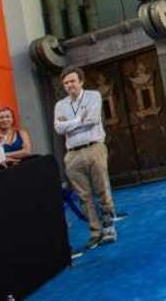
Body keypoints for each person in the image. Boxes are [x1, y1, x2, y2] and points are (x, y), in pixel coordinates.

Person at [54, 66, 117, 250]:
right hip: (72, 154)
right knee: (83, 195)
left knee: (102, 189)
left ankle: (109, 227)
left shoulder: (93, 96)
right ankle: (95, 232)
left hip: (94, 147)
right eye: (66, 83)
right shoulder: (60, 105)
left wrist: (68, 124)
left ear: (81, 81)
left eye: (72, 81)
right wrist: (76, 121)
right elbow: (58, 129)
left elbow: (92, 120)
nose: (69, 85)